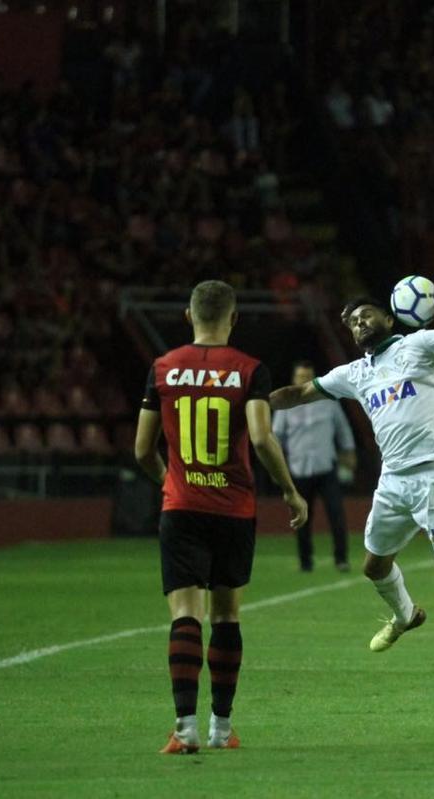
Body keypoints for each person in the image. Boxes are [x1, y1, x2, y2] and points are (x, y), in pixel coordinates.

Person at [270, 297, 434, 707]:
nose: (360, 322)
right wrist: (254, 401)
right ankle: (406, 614)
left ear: (389, 317)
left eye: (366, 314)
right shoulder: (354, 374)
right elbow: (300, 392)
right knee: (373, 565)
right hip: (393, 481)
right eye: (353, 320)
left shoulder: (417, 345)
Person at [135, 280, 308, 754]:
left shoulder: (163, 368)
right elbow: (259, 437)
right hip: (234, 509)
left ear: (189, 317)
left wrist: (171, 480)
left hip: (182, 507)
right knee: (226, 615)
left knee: (185, 612)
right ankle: (221, 728)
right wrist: (291, 492)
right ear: (233, 319)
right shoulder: (250, 370)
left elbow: (141, 450)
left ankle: (184, 728)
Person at [273, 360, 358, 572]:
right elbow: (275, 438)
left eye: (307, 377)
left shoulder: (328, 401)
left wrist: (348, 452)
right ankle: (306, 561)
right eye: (300, 377)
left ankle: (341, 559)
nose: (304, 381)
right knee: (302, 519)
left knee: (336, 514)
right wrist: (276, 467)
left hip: (326, 467)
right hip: (298, 469)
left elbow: (343, 430)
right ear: (294, 380)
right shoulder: (285, 408)